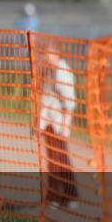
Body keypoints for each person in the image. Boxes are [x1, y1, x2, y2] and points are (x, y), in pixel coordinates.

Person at [36, 46, 78, 209]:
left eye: (48, 54)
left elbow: (69, 102)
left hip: (58, 125)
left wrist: (65, 126)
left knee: (60, 162)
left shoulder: (62, 72)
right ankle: (56, 196)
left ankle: (69, 196)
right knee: (53, 161)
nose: (46, 58)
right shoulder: (50, 71)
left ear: (56, 54)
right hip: (49, 123)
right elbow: (46, 99)